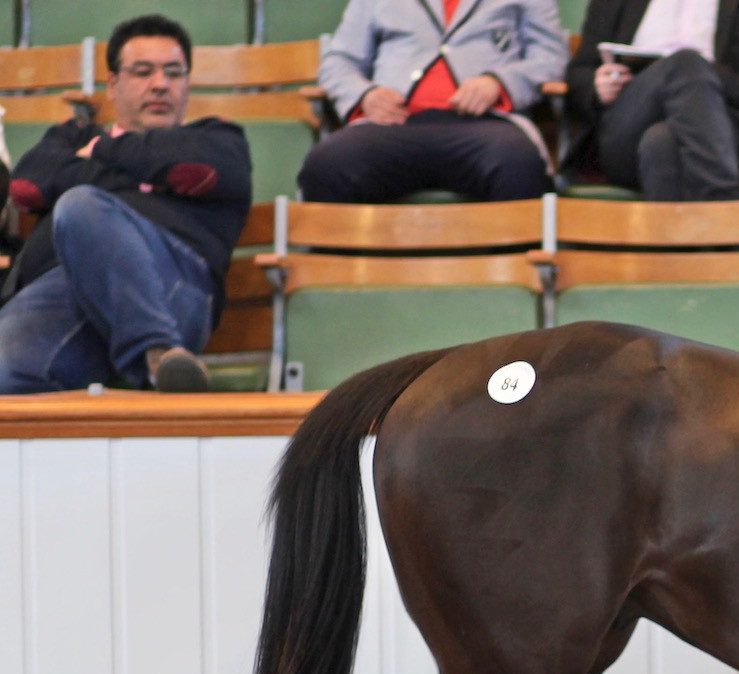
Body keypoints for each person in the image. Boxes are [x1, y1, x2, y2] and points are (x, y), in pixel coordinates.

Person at [0, 13, 251, 394]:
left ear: (187, 84)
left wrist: (101, 151)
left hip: (173, 285)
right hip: (65, 284)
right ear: (113, 84)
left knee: (80, 204)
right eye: (143, 71)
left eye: (173, 72)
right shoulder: (70, 136)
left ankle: (156, 350)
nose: (160, 85)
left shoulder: (218, 140)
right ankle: (155, 365)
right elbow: (25, 187)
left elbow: (200, 170)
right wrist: (147, 172)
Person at [299, 0, 567, 203]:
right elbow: (339, 62)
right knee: (327, 165)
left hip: (485, 126)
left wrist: (499, 82)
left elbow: (552, 57)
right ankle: (340, 274)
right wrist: (365, 95)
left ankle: (512, 274)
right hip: (392, 124)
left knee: (517, 163)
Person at [563, 0, 739, 201]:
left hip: (719, 124)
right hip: (627, 128)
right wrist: (597, 86)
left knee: (662, 142)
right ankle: (723, 207)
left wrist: (704, 73)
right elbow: (579, 74)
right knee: (684, 64)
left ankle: (674, 249)